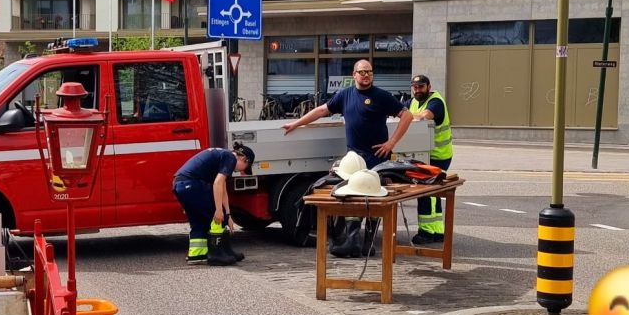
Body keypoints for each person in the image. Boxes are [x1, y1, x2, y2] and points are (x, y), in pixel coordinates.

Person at [282, 59, 412, 258]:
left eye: (369, 72)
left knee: (373, 200)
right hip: (354, 160)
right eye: (362, 72)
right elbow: (322, 110)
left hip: (377, 159)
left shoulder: (381, 96)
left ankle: (368, 244)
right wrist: (297, 123)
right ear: (354, 75)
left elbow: (407, 116)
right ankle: (353, 241)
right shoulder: (345, 95)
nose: (366, 75)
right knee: (352, 199)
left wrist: (391, 143)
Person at [172, 142, 255, 266]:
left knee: (199, 221)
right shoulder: (230, 158)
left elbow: (223, 189)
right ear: (244, 159)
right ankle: (217, 255)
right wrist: (219, 210)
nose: (241, 171)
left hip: (180, 185)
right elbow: (217, 184)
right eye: (245, 167)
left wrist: (228, 214)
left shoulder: (223, 154)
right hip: (192, 184)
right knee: (216, 217)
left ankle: (197, 255)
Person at [407, 74, 452, 247]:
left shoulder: (436, 101)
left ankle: (426, 233)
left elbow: (424, 116)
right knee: (434, 193)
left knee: (426, 193)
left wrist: (406, 116)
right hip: (426, 155)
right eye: (415, 87)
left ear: (429, 87)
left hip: (438, 155)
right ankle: (438, 231)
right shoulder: (414, 101)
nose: (418, 90)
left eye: (421, 87)